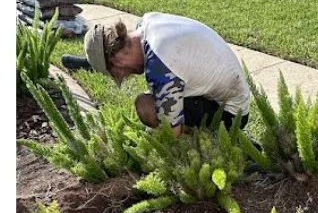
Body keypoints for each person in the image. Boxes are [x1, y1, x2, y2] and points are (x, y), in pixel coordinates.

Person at [76, 13, 250, 135]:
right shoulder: (147, 22)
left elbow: (171, 132)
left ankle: (216, 143)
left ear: (116, 60)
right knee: (159, 103)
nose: (126, 76)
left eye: (117, 74)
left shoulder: (159, 65)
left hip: (230, 116)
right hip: (227, 95)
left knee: (146, 106)